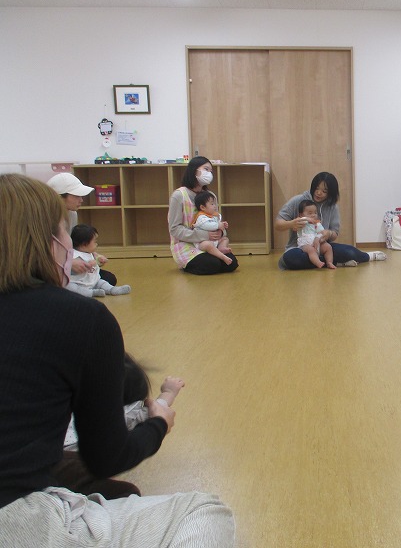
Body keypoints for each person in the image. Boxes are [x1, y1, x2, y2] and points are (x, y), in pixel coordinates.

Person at [0, 173, 235, 546]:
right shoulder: (80, 317)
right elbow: (107, 457)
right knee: (204, 511)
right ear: (50, 241)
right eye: (64, 231)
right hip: (17, 519)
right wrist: (157, 425)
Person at [54, 354, 185, 499]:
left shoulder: (65, 398)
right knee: (128, 492)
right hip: (71, 466)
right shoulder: (126, 413)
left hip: (47, 454)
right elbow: (159, 409)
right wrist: (168, 392)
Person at [275, 172, 385, 270]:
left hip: (322, 246)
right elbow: (278, 224)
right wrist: (291, 224)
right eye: (317, 188)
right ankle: (335, 262)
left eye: (324, 191)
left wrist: (329, 233)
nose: (319, 193)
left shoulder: (332, 207)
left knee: (349, 251)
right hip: (299, 248)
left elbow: (334, 233)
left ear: (331, 193)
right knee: (292, 258)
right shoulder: (298, 200)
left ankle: (368, 256)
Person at [168, 156, 238, 275]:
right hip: (187, 244)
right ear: (194, 170)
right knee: (212, 264)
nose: (209, 174)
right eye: (206, 169)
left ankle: (211, 258)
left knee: (232, 264)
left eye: (211, 171)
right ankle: (186, 264)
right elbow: (174, 229)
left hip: (211, 243)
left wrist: (220, 232)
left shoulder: (210, 195)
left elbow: (216, 219)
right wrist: (203, 235)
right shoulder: (179, 195)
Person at [46, 171, 118, 286]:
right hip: (49, 266)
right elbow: (41, 253)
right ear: (59, 198)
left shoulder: (72, 214)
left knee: (108, 278)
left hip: (65, 262)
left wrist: (92, 255)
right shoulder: (44, 219)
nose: (81, 200)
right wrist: (68, 263)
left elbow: (73, 244)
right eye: (76, 196)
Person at [67, 223, 131, 297]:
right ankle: (92, 293)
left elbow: (95, 262)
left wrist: (99, 260)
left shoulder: (89, 253)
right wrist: (92, 263)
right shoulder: (74, 255)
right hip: (79, 283)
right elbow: (73, 269)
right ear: (84, 244)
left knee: (101, 282)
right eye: (95, 242)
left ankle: (112, 289)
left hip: (92, 280)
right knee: (71, 287)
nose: (96, 244)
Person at [191, 191, 233, 266]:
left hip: (214, 241)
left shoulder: (213, 216)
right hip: (203, 242)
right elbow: (207, 225)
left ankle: (221, 248)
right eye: (212, 204)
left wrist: (223, 225)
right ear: (202, 207)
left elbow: (220, 228)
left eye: (215, 204)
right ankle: (222, 257)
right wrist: (218, 225)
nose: (215, 206)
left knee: (225, 239)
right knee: (208, 245)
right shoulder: (201, 217)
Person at [296, 199, 335, 269]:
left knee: (328, 247)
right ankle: (318, 262)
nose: (313, 215)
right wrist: (307, 219)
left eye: (315, 213)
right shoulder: (301, 223)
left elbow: (321, 232)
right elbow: (298, 221)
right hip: (305, 245)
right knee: (311, 250)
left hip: (317, 244)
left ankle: (329, 262)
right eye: (310, 213)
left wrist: (317, 238)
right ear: (301, 215)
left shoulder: (317, 224)